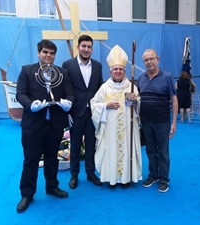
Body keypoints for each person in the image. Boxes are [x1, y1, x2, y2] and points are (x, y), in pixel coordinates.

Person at [16, 39, 74, 213]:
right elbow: (20, 93)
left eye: (52, 53)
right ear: (39, 53)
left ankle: (52, 186)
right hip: (33, 124)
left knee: (51, 158)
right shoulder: (27, 70)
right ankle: (27, 194)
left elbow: (69, 93)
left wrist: (68, 103)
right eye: (45, 52)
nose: (48, 55)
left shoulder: (62, 73)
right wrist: (29, 105)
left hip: (54, 123)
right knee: (31, 160)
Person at [90, 45, 142, 188]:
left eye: (120, 69)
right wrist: (105, 106)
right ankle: (111, 178)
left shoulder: (131, 87)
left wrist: (135, 101)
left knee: (126, 149)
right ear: (110, 71)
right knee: (111, 150)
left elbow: (138, 106)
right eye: (115, 69)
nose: (118, 71)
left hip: (127, 129)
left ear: (125, 71)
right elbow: (94, 104)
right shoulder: (104, 87)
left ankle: (126, 178)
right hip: (110, 129)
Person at [62, 34, 103, 189]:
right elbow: (65, 89)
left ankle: (91, 173)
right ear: (78, 47)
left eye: (89, 47)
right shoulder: (68, 65)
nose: (86, 49)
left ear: (92, 49)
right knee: (75, 144)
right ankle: (74, 174)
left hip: (93, 112)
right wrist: (67, 111)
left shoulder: (98, 66)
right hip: (75, 112)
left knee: (92, 144)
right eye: (83, 46)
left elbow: (100, 89)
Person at [137, 49, 178, 193]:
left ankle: (164, 179)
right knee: (150, 150)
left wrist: (174, 122)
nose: (149, 62)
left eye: (151, 59)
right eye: (146, 60)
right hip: (146, 122)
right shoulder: (140, 78)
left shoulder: (167, 77)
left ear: (158, 59)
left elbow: (174, 99)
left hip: (162, 122)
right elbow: (138, 99)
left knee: (163, 151)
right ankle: (153, 175)